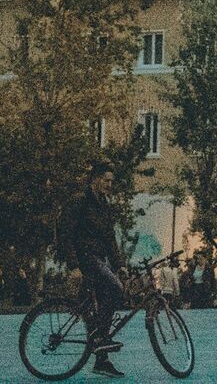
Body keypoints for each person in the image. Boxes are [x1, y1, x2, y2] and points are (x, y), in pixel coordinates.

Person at [63, 161, 127, 378]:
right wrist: (73, 265)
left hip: (98, 259)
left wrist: (120, 265)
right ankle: (100, 339)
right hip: (86, 258)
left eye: (112, 181)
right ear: (95, 180)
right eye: (107, 180)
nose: (110, 184)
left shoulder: (104, 205)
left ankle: (101, 358)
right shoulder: (80, 202)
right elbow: (65, 233)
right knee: (115, 288)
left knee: (101, 304)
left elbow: (110, 239)